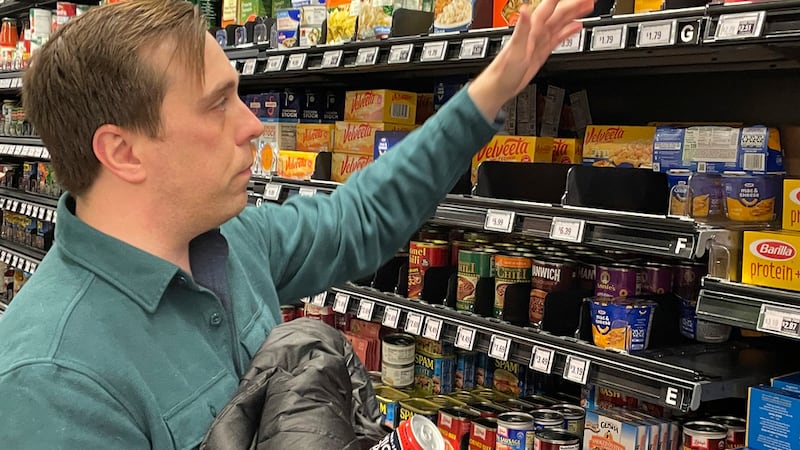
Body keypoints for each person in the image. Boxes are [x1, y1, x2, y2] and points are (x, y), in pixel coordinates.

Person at [0, 0, 592, 447]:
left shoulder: (234, 241)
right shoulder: (52, 380)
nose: (253, 124)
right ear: (123, 151)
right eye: (218, 103)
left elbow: (359, 216)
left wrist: (496, 86)